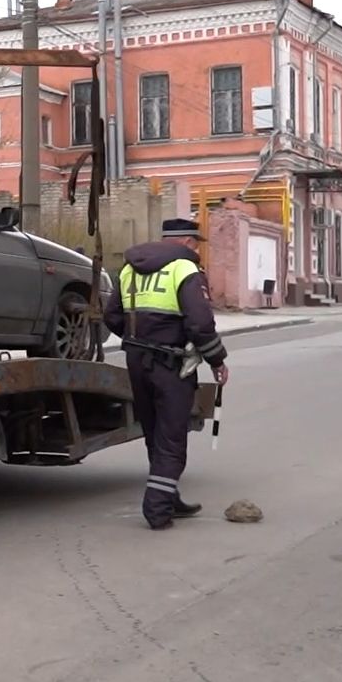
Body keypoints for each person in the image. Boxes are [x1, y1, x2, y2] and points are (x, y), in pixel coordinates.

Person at [102, 217, 230, 531]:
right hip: (171, 364)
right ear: (187, 242)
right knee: (172, 437)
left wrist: (136, 340)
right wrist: (217, 361)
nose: (198, 249)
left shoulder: (130, 268)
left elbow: (112, 316)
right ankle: (157, 510)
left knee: (155, 431)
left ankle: (169, 497)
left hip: (137, 360)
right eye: (196, 243)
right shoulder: (185, 269)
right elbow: (200, 323)